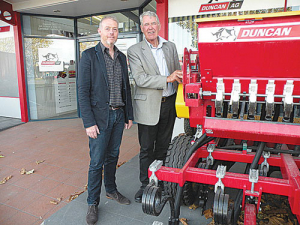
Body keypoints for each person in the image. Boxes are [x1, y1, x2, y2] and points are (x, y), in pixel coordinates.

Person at [78, 16, 133, 225]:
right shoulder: (89, 56)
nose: (112, 32)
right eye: (108, 29)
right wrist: (88, 122)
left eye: (115, 29)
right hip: (99, 119)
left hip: (119, 116)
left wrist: (128, 114)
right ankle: (92, 202)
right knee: (96, 161)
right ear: (100, 31)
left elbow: (125, 88)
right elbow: (82, 92)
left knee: (113, 156)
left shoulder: (120, 57)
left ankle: (111, 189)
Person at [127, 11, 182, 203]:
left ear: (159, 25)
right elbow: (140, 79)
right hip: (148, 107)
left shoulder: (170, 46)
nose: (150, 27)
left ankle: (159, 181)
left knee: (164, 146)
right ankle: (145, 185)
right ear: (142, 28)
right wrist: (167, 79)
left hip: (169, 104)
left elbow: (177, 73)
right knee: (147, 148)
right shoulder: (134, 51)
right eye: (146, 24)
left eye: (153, 23)